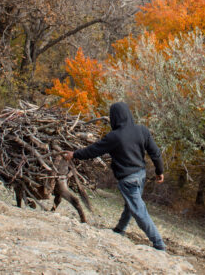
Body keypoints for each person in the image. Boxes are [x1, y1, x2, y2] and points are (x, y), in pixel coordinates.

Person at [63, 101, 166, 251]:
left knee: (138, 210)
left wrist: (74, 154)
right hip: (141, 175)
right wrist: (159, 171)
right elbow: (155, 153)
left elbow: (93, 150)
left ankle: (159, 244)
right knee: (131, 205)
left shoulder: (114, 137)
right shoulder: (142, 130)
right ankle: (120, 229)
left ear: (114, 117)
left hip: (127, 179)